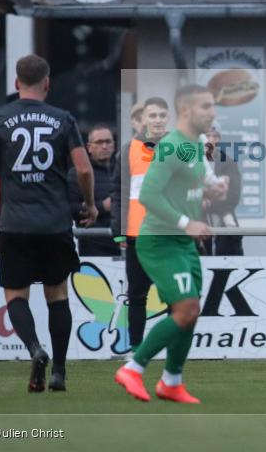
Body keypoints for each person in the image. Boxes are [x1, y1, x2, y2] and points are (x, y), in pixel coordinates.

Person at [0, 54, 98, 393]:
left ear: (16, 83)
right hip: (55, 223)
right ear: (47, 82)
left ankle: (33, 349)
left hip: (15, 224)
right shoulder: (63, 119)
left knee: (16, 295)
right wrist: (88, 204)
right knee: (57, 294)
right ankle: (60, 371)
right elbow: (83, 169)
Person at [115, 85, 222, 404]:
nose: (212, 112)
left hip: (182, 242)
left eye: (213, 106)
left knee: (189, 310)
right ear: (185, 111)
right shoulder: (171, 146)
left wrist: (214, 189)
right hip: (159, 241)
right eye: (206, 106)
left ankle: (171, 381)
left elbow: (197, 185)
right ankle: (133, 368)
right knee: (186, 309)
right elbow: (148, 195)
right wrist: (186, 222)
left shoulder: (197, 144)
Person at [110, 97, 169, 353]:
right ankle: (135, 349)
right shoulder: (128, 150)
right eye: (152, 115)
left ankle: (172, 346)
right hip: (138, 234)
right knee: (137, 295)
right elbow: (119, 192)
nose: (157, 120)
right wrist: (119, 230)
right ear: (143, 119)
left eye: (161, 115)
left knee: (175, 294)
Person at [67, 124, 118, 256]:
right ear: (89, 147)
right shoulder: (77, 174)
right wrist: (102, 207)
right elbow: (68, 208)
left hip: (123, 246)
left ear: (113, 145)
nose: (105, 146)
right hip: (93, 249)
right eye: (99, 142)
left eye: (108, 142)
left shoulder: (123, 171)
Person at [203, 121, 244, 256]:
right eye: (207, 135)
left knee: (228, 259)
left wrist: (208, 202)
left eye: (215, 136)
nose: (211, 140)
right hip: (200, 221)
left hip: (225, 222)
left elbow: (233, 195)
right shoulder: (192, 161)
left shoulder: (228, 162)